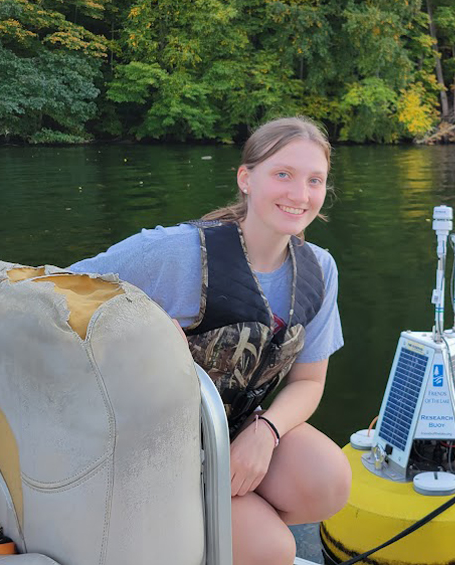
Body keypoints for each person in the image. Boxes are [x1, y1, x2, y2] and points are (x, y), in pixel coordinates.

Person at [71, 116, 352, 565]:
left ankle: (213, 517)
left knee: (329, 479)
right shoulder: (177, 252)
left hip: (232, 432)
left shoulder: (320, 269)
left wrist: (266, 431)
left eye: (314, 180)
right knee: (273, 549)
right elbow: (58, 290)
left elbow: (309, 382)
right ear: (246, 178)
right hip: (149, 449)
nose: (300, 195)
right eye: (283, 174)